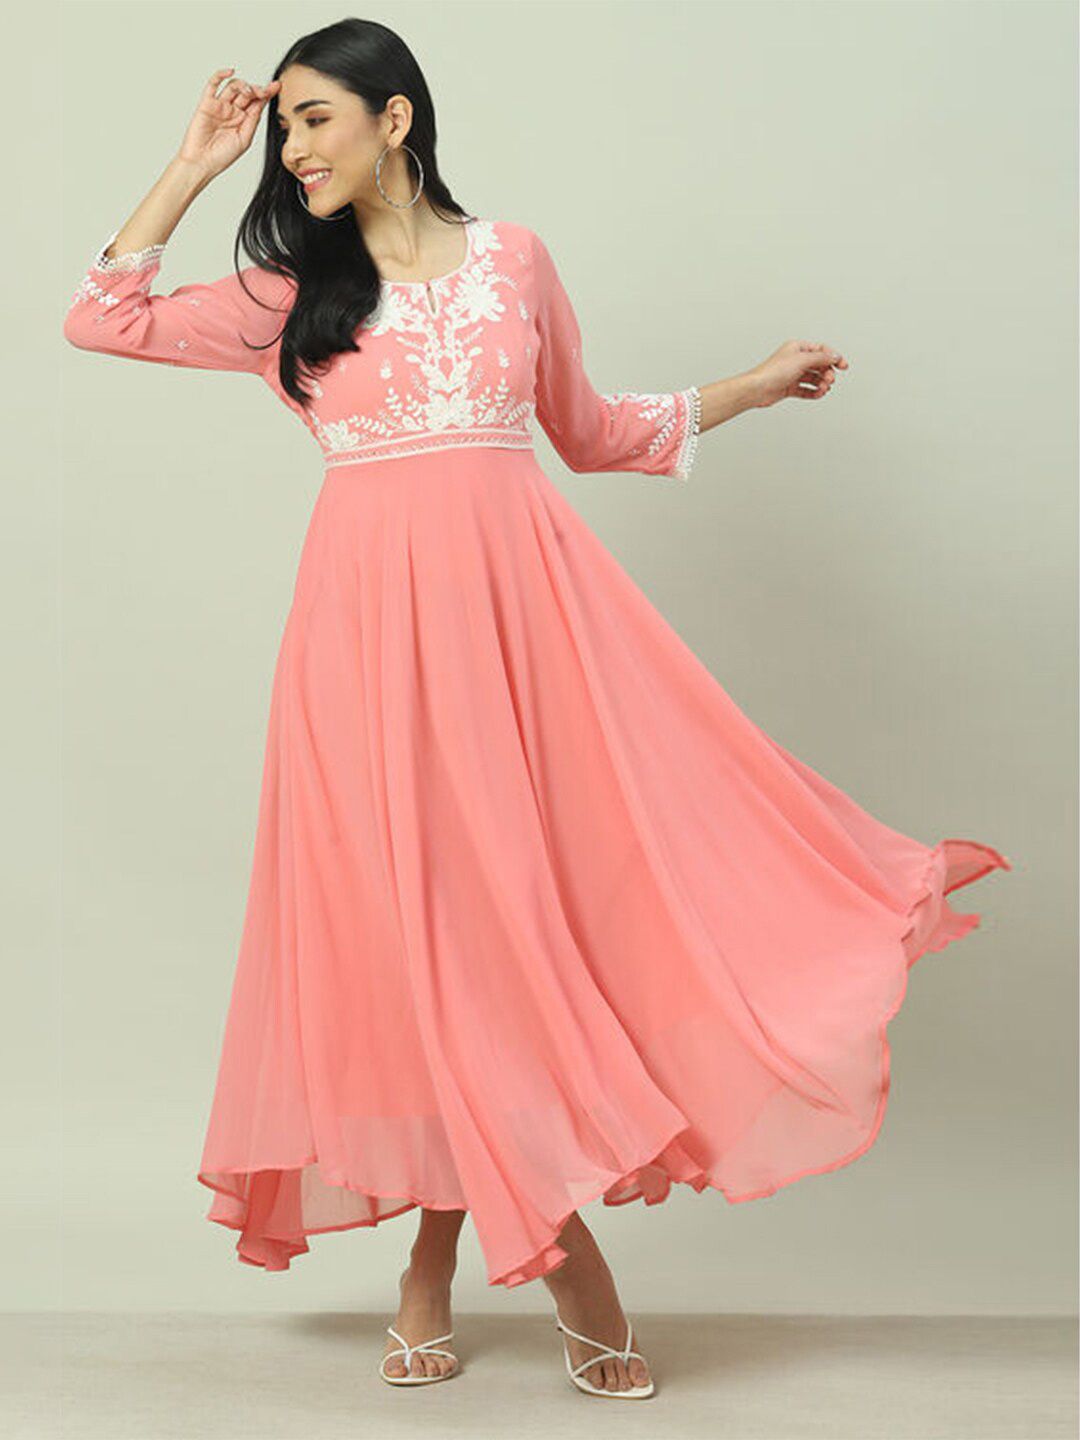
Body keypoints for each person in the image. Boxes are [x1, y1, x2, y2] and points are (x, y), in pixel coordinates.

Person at [63, 19, 1011, 1399]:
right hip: (366, 656)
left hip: (527, 645)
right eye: (284, 129)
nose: (295, 149)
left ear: (395, 117)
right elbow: (102, 318)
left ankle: (439, 1262)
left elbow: (590, 431)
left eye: (315, 118)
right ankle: (549, 1257)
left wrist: (750, 387)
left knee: (508, 935)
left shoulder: (514, 260)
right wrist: (194, 163)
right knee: (427, 946)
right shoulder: (287, 291)